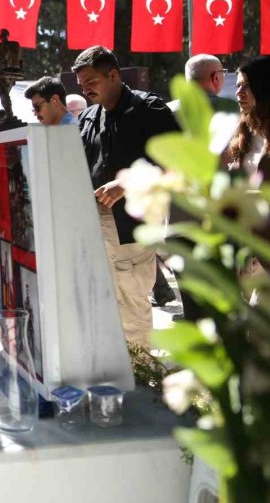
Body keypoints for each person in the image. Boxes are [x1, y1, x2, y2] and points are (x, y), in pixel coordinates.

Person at [73, 46, 179, 348]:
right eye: (82, 85)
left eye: (91, 82)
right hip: (92, 226)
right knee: (101, 304)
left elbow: (177, 162)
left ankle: (143, 382)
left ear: (114, 75)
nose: (86, 89)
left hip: (131, 225)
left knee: (131, 307)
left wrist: (126, 183)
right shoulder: (89, 116)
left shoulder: (149, 109)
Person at [222, 56, 270, 273]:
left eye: (247, 85)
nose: (239, 92)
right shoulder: (244, 134)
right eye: (238, 85)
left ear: (268, 88)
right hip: (250, 255)